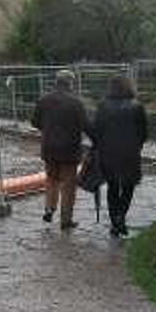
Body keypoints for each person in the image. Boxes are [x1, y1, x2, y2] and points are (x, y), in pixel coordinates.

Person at [31, 70, 93, 231]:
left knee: (51, 179)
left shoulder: (44, 99)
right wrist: (98, 140)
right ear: (71, 83)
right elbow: (86, 126)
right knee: (68, 186)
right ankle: (66, 220)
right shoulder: (76, 103)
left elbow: (34, 122)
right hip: (70, 150)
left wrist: (48, 129)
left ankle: (49, 208)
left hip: (49, 148)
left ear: (56, 82)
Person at [94, 75, 148, 237]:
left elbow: (98, 129)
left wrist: (100, 146)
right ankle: (120, 216)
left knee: (112, 187)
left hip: (108, 153)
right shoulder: (137, 106)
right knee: (128, 186)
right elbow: (143, 133)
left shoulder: (102, 106)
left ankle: (115, 222)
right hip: (130, 153)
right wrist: (136, 146)